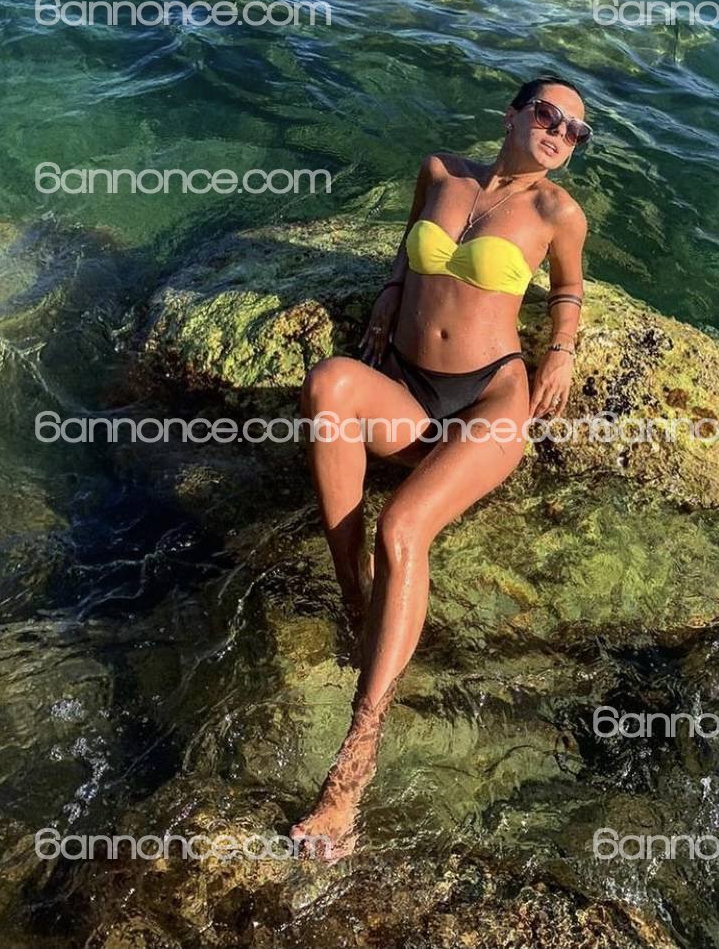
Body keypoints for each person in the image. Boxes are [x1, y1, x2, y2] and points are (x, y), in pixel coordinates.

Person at [292, 76, 590, 858]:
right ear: (512, 114)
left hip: (491, 397)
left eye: (576, 131)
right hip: (410, 389)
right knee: (328, 385)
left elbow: (567, 287)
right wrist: (394, 290)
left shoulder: (557, 212)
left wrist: (561, 350)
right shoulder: (440, 173)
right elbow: (409, 239)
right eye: (549, 115)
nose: (560, 133)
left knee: (402, 528)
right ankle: (354, 597)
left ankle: (354, 762)